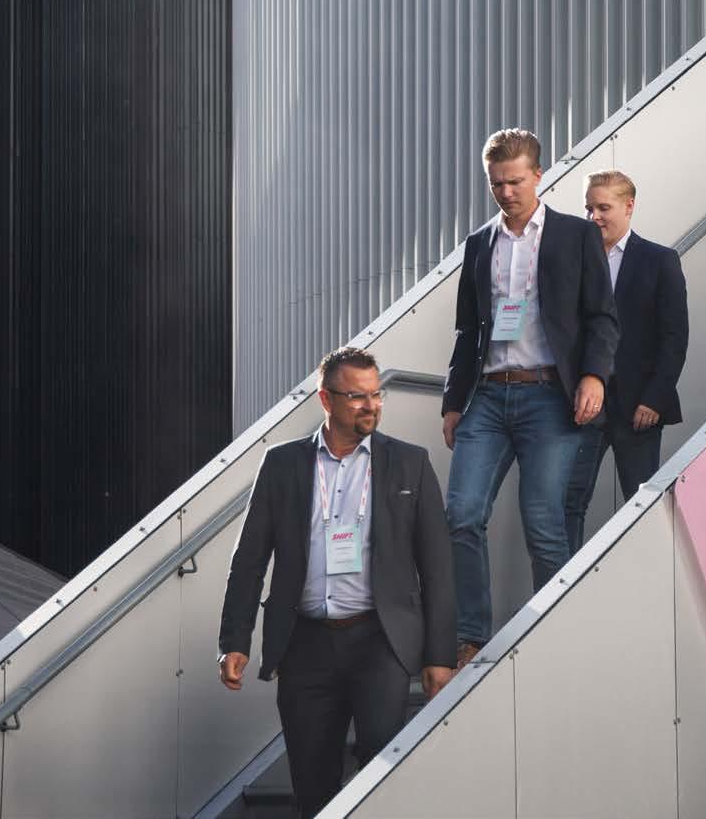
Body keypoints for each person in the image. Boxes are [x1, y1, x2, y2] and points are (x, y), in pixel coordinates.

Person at [218, 347, 456, 819]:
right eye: (357, 397)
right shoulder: (282, 464)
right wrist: (235, 641)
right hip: (304, 646)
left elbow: (437, 566)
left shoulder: (409, 462)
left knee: (381, 772)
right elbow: (249, 561)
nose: (372, 406)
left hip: (380, 641)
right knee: (312, 780)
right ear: (326, 399)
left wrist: (439, 656)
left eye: (376, 394)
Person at [441, 128, 618, 668]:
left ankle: (553, 636)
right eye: (497, 183)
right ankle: (471, 636)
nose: (507, 192)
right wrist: (453, 402)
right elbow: (467, 329)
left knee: (543, 521)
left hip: (549, 396)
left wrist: (594, 376)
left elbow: (602, 316)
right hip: (487, 398)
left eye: (516, 181)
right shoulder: (479, 244)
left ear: (539, 175)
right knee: (461, 513)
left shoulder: (575, 235)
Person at [564, 170, 689, 552]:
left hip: (638, 407)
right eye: (588, 208)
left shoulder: (659, 260)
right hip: (583, 406)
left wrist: (654, 398)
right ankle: (562, 582)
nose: (594, 217)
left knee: (641, 505)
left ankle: (647, 576)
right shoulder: (573, 262)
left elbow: (674, 337)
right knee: (567, 501)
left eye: (603, 208)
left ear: (629, 206)